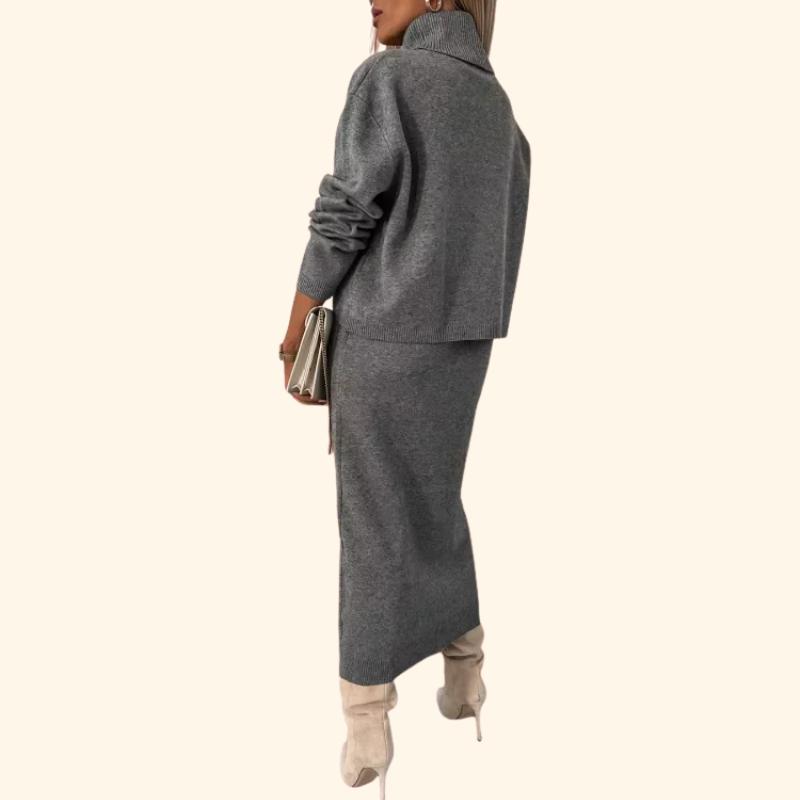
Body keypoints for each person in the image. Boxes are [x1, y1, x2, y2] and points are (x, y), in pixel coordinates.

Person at [280, 1, 530, 795]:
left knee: (373, 521)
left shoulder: (389, 80)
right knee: (434, 502)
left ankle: (367, 727)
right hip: (465, 346)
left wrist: (299, 317)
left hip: (385, 338)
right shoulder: (498, 104)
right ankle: (466, 676)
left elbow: (346, 209)